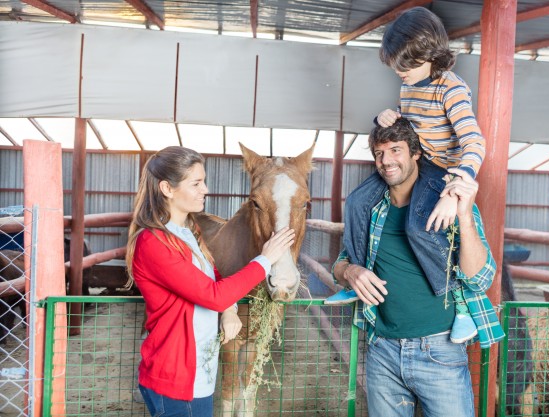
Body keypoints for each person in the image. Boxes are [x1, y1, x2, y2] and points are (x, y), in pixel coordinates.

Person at [326, 6, 484, 344]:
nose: (399, 72)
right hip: (422, 163)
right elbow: (413, 125)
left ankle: (460, 306)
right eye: (396, 65)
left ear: (428, 53)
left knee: (419, 227)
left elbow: (473, 140)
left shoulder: (451, 89)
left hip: (443, 173)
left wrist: (454, 190)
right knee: (356, 201)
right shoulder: (410, 86)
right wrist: (389, 116)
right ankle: (356, 277)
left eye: (404, 64)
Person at [331, 119, 504, 416]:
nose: (386, 161)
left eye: (395, 150)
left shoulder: (448, 203)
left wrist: (463, 215)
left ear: (415, 154)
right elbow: (341, 262)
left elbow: (480, 278)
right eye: (379, 153)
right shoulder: (371, 209)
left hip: (439, 349)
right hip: (383, 348)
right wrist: (350, 272)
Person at [125, 146, 295, 417]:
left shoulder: (188, 232)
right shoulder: (154, 242)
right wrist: (264, 260)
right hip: (175, 379)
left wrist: (229, 310)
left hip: (196, 373)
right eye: (196, 183)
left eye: (203, 181)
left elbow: (212, 275)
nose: (205, 189)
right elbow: (213, 294)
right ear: (168, 189)